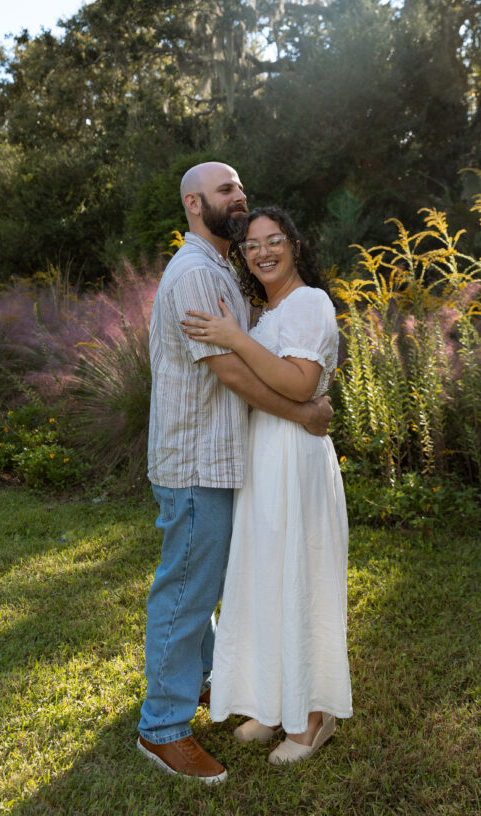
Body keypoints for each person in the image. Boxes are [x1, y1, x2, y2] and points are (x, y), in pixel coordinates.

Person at [136, 164, 334, 785]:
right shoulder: (197, 271)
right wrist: (305, 412)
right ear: (194, 203)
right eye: (226, 190)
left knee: (203, 581)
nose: (239, 198)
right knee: (187, 591)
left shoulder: (223, 267)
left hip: (224, 459)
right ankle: (163, 728)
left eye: (242, 187)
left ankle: (197, 684)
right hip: (196, 459)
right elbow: (230, 373)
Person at [181, 206, 353, 765]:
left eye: (273, 240)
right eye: (252, 245)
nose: (262, 252)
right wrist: (240, 333)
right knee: (264, 576)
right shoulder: (267, 312)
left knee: (298, 577)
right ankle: (276, 705)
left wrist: (233, 335)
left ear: (295, 244)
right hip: (263, 458)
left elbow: (301, 385)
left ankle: (312, 720)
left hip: (295, 462)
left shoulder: (310, 303)